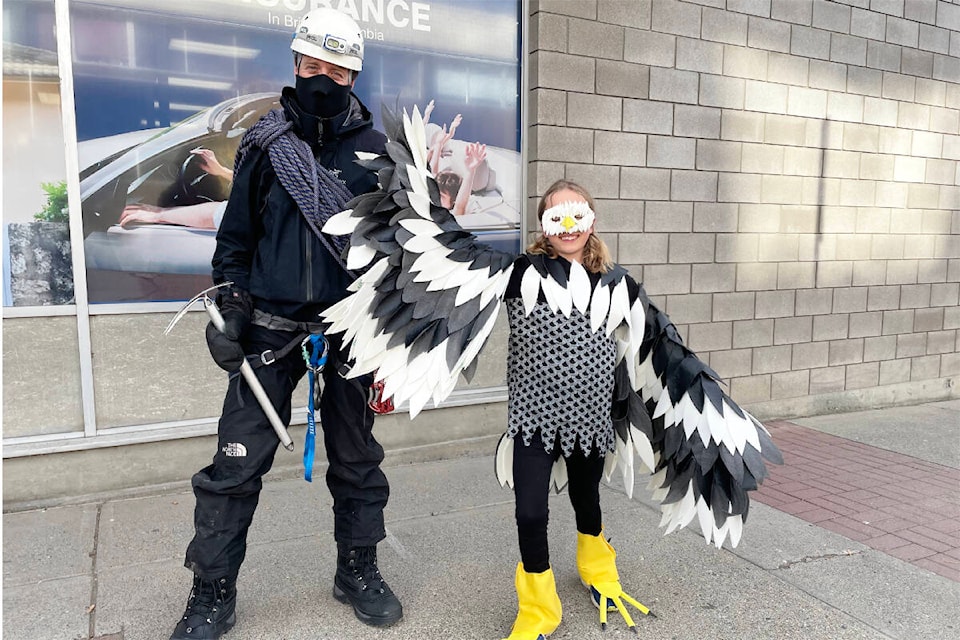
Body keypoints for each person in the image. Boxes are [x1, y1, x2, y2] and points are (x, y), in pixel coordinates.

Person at [169, 8, 402, 640]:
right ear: (296, 63)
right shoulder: (264, 144)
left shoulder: (381, 156)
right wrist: (230, 310)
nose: (324, 75)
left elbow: (395, 257)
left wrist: (392, 338)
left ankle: (357, 570)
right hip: (269, 333)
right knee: (234, 468)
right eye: (313, 63)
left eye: (337, 65)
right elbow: (234, 240)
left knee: (358, 462)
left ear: (354, 70)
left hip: (348, 331)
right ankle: (212, 592)